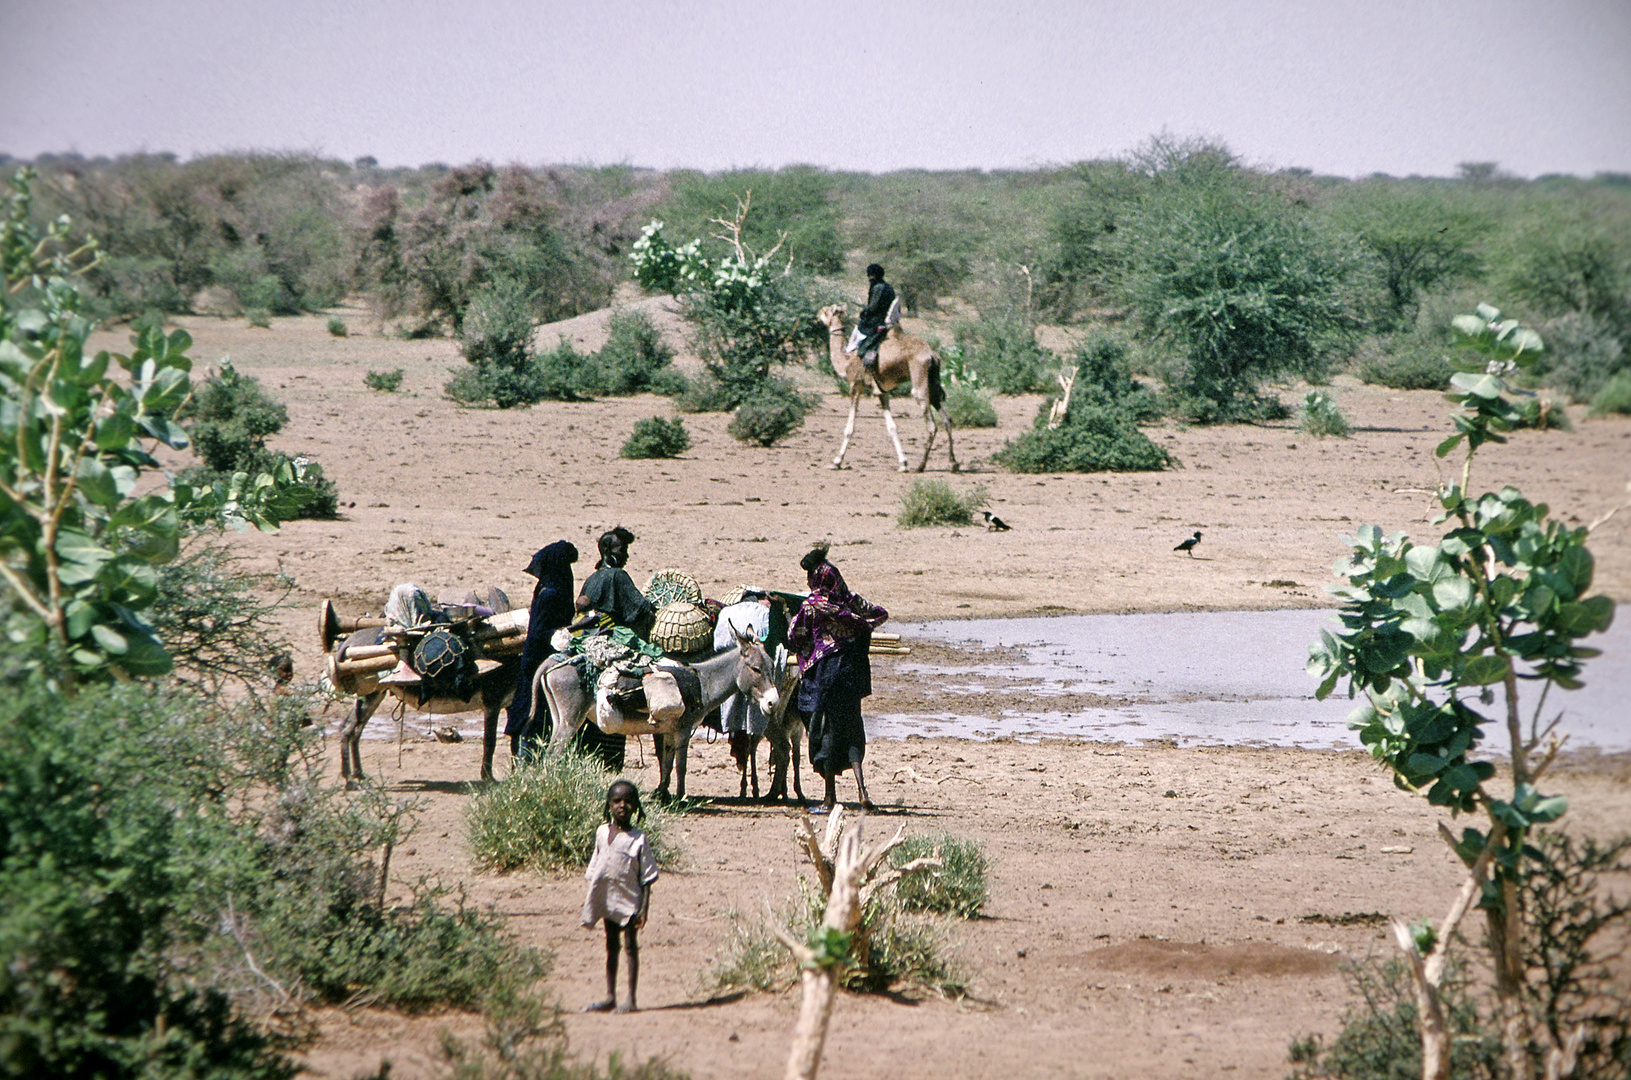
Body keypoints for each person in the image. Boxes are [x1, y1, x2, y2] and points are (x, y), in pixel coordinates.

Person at [789, 544, 888, 812]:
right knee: (853, 725)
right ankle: (862, 791)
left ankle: (830, 798)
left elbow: (794, 636)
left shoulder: (812, 606)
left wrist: (815, 642)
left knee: (826, 731)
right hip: (854, 673)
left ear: (816, 579)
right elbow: (880, 614)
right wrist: (858, 626)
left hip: (827, 674)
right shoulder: (851, 601)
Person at [581, 779, 658, 1013]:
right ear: (609, 804)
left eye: (627, 801)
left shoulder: (639, 839)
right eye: (616, 801)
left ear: (636, 806)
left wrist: (644, 909)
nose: (622, 805)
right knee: (611, 946)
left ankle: (631, 999)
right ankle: (610, 996)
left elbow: (647, 878)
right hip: (608, 898)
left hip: (630, 900)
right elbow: (596, 868)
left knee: (630, 946)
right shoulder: (602, 833)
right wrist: (593, 898)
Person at [505, 540, 578, 758]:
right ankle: (527, 759)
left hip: (537, 659)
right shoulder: (552, 593)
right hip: (539, 661)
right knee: (535, 712)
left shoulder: (547, 588)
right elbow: (539, 633)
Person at [854, 262, 899, 376]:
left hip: (878, 320)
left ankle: (865, 357)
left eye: (871, 275)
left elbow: (873, 307)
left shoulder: (878, 287)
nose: (870, 278)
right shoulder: (888, 286)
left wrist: (864, 311)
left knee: (861, 331)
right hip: (887, 319)